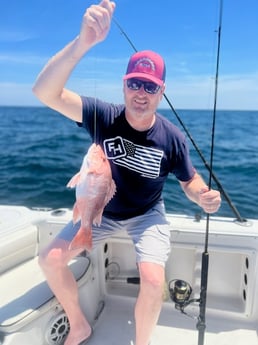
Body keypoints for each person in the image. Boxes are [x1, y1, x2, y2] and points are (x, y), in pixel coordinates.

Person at [33, 1, 221, 344]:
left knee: (152, 279)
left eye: (151, 86)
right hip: (98, 210)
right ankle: (79, 325)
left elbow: (189, 180)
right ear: (124, 84)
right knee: (49, 259)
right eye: (135, 83)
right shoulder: (101, 116)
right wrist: (82, 43)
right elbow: (44, 92)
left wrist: (202, 195)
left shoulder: (172, 137)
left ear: (161, 92)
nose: (141, 93)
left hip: (147, 215)